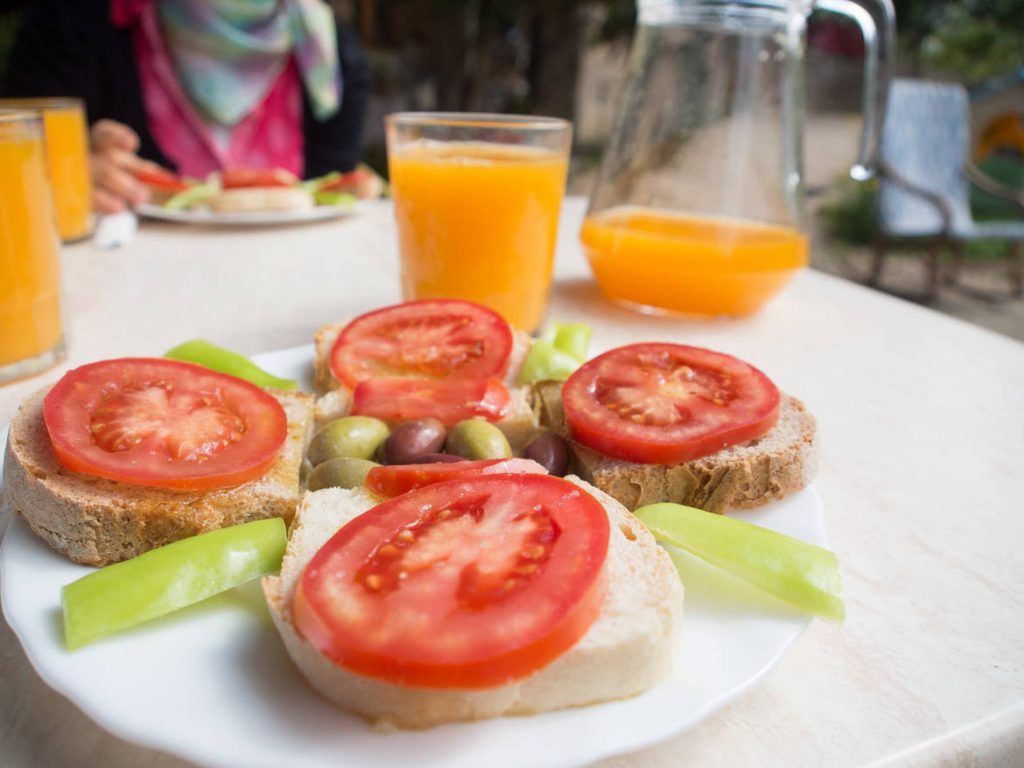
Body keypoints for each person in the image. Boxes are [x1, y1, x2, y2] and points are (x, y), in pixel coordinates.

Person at [3, 0, 370, 213]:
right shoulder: (72, 23)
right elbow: (14, 153)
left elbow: (332, 207)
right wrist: (56, 171)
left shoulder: (332, 56)